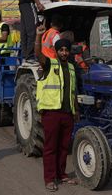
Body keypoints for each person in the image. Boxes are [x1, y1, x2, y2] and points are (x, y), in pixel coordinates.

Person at [35, 24, 79, 192]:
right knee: (50, 147)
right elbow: (38, 53)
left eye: (66, 51)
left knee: (63, 147)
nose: (64, 53)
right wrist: (39, 36)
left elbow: (73, 91)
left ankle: (62, 174)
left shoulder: (72, 68)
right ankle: (49, 178)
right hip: (52, 113)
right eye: (61, 50)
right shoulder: (49, 64)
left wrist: (76, 111)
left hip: (67, 114)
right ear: (56, 51)